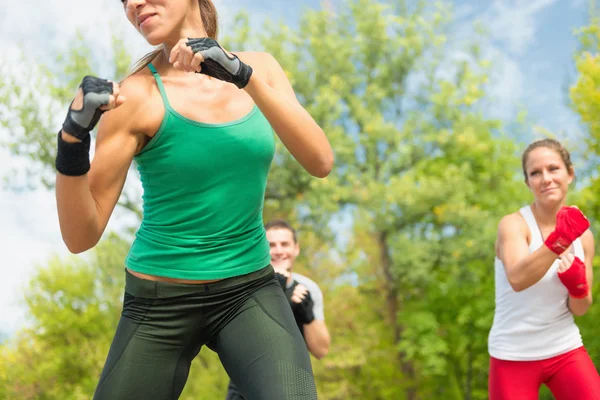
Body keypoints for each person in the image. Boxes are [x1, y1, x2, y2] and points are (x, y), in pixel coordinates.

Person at [54, 0, 334, 399]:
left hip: (248, 290)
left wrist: (242, 75)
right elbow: (81, 235)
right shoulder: (134, 96)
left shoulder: (260, 68)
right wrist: (72, 140)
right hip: (158, 303)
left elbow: (320, 160)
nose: (133, 3)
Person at [488, 138, 600, 399]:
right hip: (513, 354)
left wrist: (578, 285)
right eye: (535, 173)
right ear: (528, 183)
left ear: (569, 174)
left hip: (565, 348)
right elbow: (516, 277)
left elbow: (581, 308)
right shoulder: (514, 225)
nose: (546, 178)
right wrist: (559, 241)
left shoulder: (584, 237)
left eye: (553, 169)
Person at [225, 219, 331, 400]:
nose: (279, 251)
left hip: (293, 383)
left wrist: (308, 316)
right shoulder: (242, 285)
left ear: (296, 248)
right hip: (245, 387)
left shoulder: (307, 288)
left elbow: (321, 350)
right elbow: (236, 344)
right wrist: (274, 295)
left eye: (285, 244)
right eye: (271, 245)